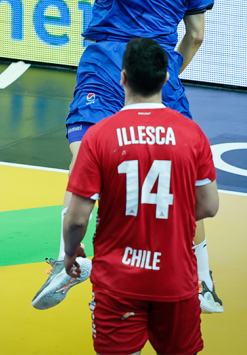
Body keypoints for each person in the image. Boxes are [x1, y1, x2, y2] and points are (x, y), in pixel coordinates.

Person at [23, 0, 222, 312]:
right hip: (160, 75)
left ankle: (72, 262)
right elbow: (195, 35)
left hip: (106, 67)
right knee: (182, 181)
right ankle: (205, 279)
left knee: (85, 166)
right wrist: (166, 75)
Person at [62, 37, 219, 355]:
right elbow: (209, 206)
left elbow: (77, 217)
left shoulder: (99, 136)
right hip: (175, 280)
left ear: (122, 77)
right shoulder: (192, 134)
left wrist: (70, 252)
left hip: (118, 283)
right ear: (165, 79)